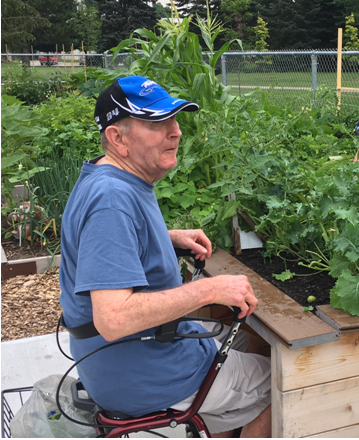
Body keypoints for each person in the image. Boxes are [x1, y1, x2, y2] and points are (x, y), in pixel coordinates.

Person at [59, 76, 271, 438]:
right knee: (285, 379)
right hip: (140, 371)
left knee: (251, 341)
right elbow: (113, 318)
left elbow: (104, 246)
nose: (175, 132)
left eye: (173, 121)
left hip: (124, 358)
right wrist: (210, 290)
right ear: (118, 138)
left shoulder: (110, 178)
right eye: (157, 124)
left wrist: (166, 238)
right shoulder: (112, 200)